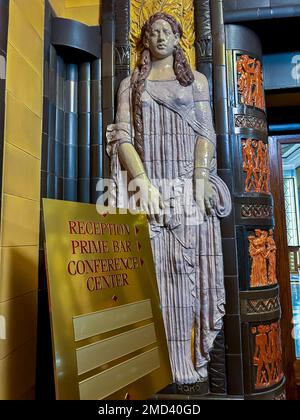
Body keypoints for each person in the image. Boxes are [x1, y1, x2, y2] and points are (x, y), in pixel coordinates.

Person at [106, 12, 231, 385]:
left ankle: (187, 361)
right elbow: (122, 137)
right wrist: (142, 183)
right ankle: (152, 364)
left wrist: (201, 177)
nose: (160, 36)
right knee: (153, 273)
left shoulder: (196, 82)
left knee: (184, 269)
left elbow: (206, 133)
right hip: (149, 189)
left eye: (167, 31)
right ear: (144, 41)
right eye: (153, 32)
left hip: (186, 185)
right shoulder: (130, 85)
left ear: (179, 39)